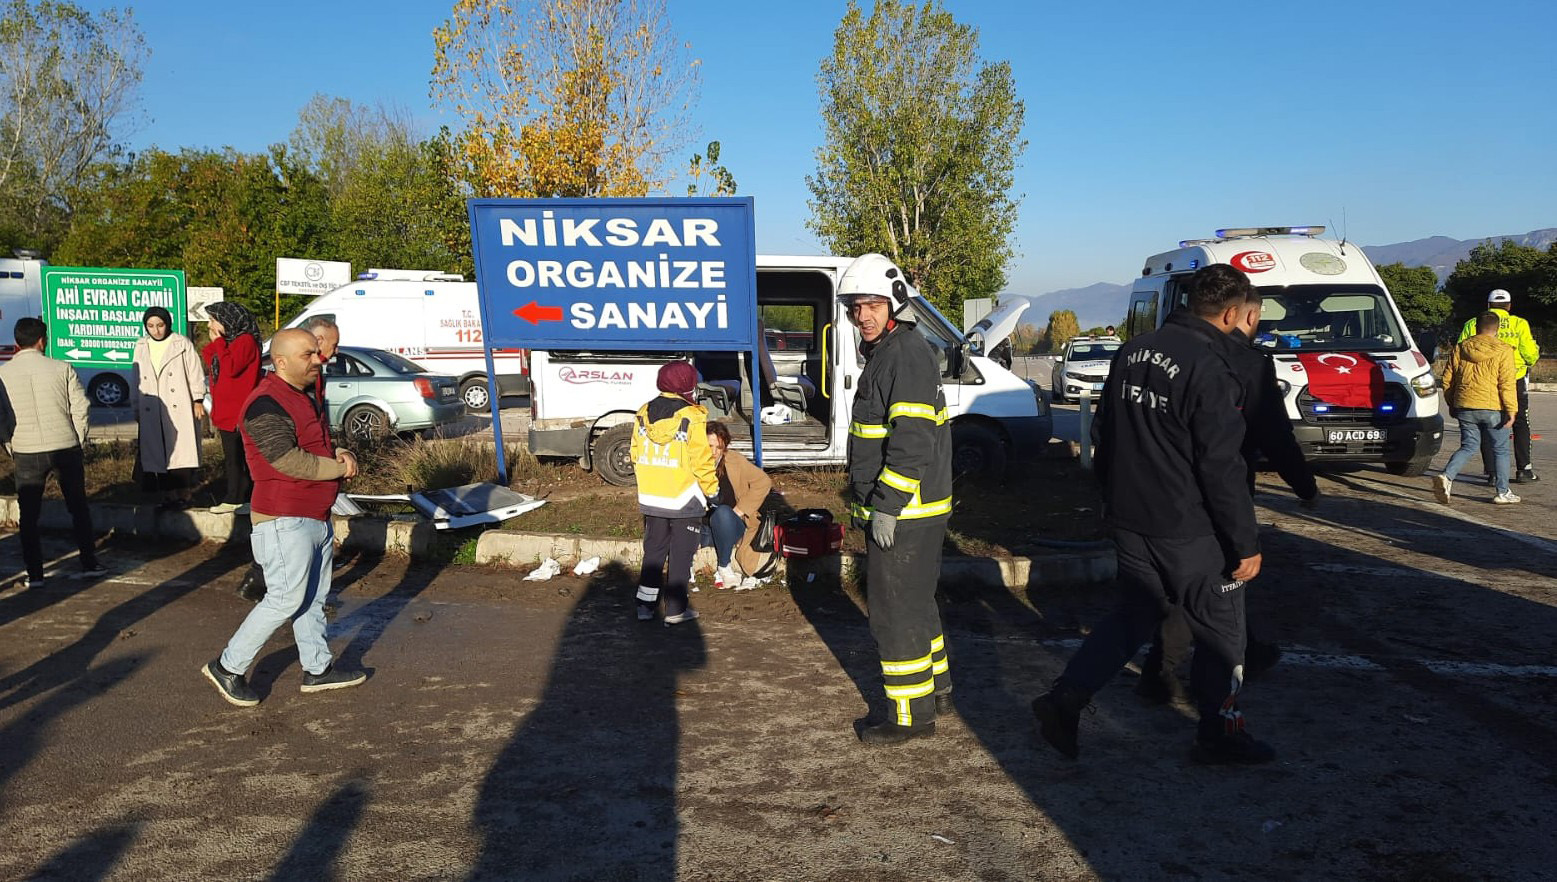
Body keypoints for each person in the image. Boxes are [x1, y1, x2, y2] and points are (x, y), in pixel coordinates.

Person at [1032, 263, 1274, 765]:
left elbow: (1102, 434)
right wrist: (1245, 541)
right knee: (1222, 631)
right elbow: (1221, 465)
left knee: (1134, 615)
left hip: (1130, 518)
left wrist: (1113, 497)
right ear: (1231, 313)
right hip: (1190, 528)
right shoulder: (1211, 365)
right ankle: (1220, 734)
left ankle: (1065, 698)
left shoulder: (1133, 350)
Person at [1135, 297, 1315, 704]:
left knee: (1198, 587)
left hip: (1161, 495)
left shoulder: (1160, 350)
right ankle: (1205, 694)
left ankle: (1179, 669)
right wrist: (1304, 486)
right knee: (1218, 589)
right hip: (1218, 495)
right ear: (1248, 315)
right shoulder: (1246, 362)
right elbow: (1272, 436)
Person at [201, 329, 366, 707]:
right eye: (308, 354)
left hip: (313, 513)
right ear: (282, 362)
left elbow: (313, 444)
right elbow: (286, 459)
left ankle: (318, 669)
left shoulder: (301, 395)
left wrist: (340, 451)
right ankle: (228, 666)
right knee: (285, 598)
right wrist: (337, 469)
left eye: (316, 352)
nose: (318, 359)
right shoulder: (264, 403)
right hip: (282, 516)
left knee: (312, 598)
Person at [838, 253, 955, 746]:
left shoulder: (902, 354)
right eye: (854, 307)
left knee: (893, 610)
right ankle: (938, 692)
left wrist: (885, 505)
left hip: (904, 513)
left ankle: (909, 717)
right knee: (917, 603)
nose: (862, 315)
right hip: (915, 510)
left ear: (895, 304)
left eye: (871, 305)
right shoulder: (894, 350)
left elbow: (911, 443)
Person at [0, 318, 105, 587]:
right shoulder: (62, 367)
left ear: (16, 343)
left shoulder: (3, 373)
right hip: (64, 444)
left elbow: (1, 418)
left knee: (29, 515)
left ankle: (35, 574)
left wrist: (10, 444)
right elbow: (81, 406)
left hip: (25, 449)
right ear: (42, 341)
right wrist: (78, 437)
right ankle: (90, 562)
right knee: (78, 507)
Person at [631, 361, 719, 625]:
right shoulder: (692, 416)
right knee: (681, 554)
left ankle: (645, 607)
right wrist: (712, 492)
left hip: (651, 497)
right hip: (684, 497)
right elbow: (701, 460)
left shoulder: (643, 412)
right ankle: (675, 610)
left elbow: (635, 452)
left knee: (654, 552)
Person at [1435, 311, 1520, 505]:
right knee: (1500, 449)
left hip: (1465, 404)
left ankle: (1447, 477)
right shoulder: (1504, 350)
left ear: (1476, 327)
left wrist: (1452, 402)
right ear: (1497, 329)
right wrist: (1512, 410)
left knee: (1469, 445)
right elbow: (1506, 383)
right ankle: (1502, 491)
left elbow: (1448, 379)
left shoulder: (1460, 348)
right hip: (1493, 407)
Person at [1457, 289, 1539, 483]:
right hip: (1515, 379)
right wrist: (1528, 359)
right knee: (1520, 422)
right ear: (1509, 306)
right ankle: (1524, 470)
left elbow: (1461, 350)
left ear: (1488, 306)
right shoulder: (1520, 324)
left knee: (1488, 425)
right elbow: (1530, 354)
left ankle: (1493, 473)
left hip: (1484, 381)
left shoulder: (1472, 324)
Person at [131, 306, 208, 510]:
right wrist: (136, 406)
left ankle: (185, 493)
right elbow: (135, 377)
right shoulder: (140, 346)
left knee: (180, 453)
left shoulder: (181, 344)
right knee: (158, 453)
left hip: (178, 403)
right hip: (151, 405)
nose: (156, 330)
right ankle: (167, 494)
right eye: (150, 326)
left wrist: (198, 398)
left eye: (160, 325)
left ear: (167, 324)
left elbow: (194, 371)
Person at [201, 302, 263, 514]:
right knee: (234, 456)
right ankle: (242, 497)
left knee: (238, 458)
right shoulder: (231, 342)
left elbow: (232, 367)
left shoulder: (245, 341)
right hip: (226, 410)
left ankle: (236, 497)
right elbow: (209, 356)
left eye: (213, 320)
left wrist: (219, 342)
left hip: (238, 410)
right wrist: (218, 342)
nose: (210, 325)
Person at [703, 421, 773, 589]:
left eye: (719, 448)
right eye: (709, 446)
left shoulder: (734, 460)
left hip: (731, 522)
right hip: (703, 523)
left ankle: (724, 565)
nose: (713, 452)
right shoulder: (692, 462)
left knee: (723, 513)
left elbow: (763, 481)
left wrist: (742, 508)